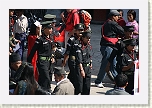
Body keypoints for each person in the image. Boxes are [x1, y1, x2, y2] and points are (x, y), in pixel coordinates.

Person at [95, 10, 125, 88]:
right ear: (112, 16)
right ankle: (98, 81)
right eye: (117, 16)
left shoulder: (106, 22)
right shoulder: (112, 23)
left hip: (108, 46)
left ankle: (118, 81)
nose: (118, 17)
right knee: (106, 64)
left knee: (113, 65)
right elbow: (122, 31)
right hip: (108, 47)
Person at [27, 22, 55, 92]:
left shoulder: (51, 39)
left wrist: (52, 56)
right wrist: (29, 61)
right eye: (49, 28)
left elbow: (52, 49)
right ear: (44, 29)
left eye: (51, 28)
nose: (51, 30)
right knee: (46, 78)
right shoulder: (40, 39)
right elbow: (33, 51)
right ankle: (48, 91)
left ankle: (41, 91)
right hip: (42, 62)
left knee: (46, 78)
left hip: (49, 62)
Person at [61, 23, 84, 89]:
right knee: (75, 75)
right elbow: (67, 52)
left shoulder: (83, 39)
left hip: (81, 61)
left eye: (82, 30)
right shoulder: (72, 40)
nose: (80, 32)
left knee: (76, 76)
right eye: (79, 30)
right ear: (75, 31)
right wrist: (64, 62)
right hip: (73, 61)